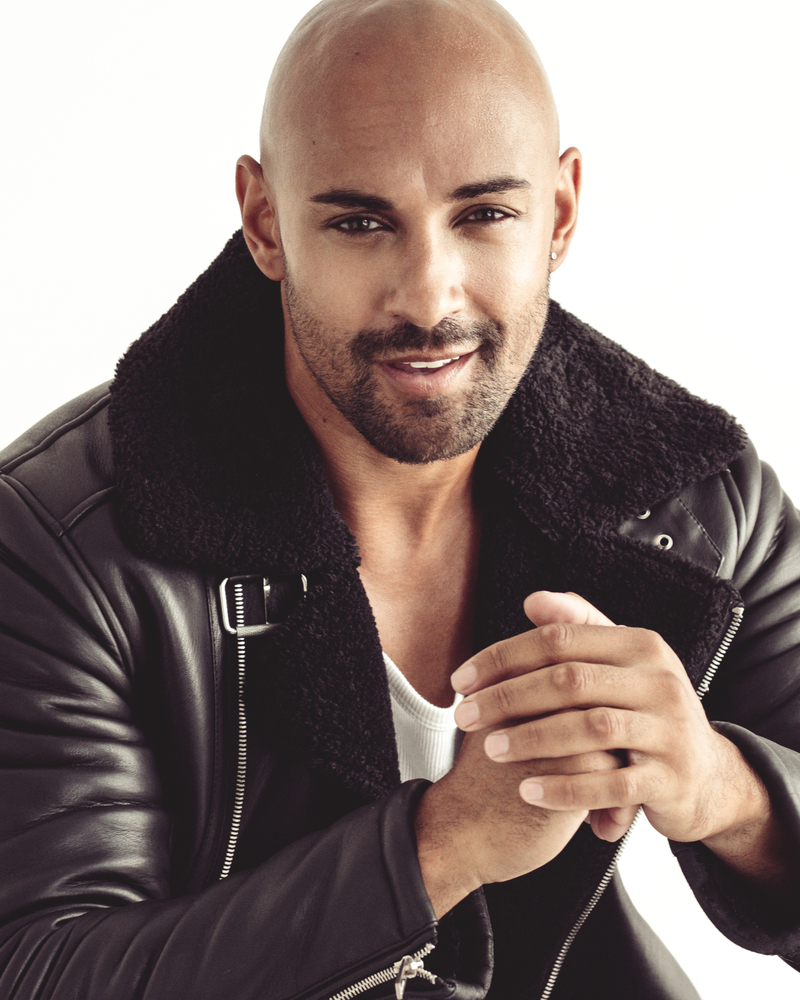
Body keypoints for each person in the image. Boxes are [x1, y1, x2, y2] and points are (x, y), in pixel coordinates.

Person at [1, 0, 799, 997]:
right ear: (265, 223)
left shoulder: (693, 501)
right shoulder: (59, 538)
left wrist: (723, 788)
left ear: (558, 214)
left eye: (483, 214)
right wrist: (437, 846)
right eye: (359, 222)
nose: (428, 297)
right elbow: (37, 969)